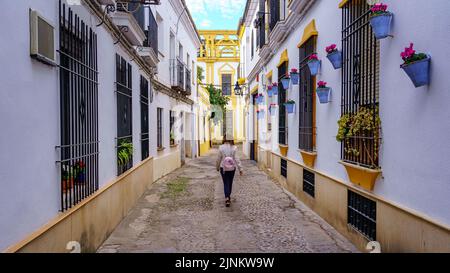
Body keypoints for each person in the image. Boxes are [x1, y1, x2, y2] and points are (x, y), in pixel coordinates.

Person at [216, 138, 243, 207]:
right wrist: (240, 169)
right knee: (230, 182)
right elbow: (237, 159)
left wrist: (217, 167)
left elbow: (218, 158)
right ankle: (228, 196)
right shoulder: (234, 148)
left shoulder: (221, 147)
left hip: (223, 168)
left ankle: (227, 197)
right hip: (232, 168)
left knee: (225, 183)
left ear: (224, 139)